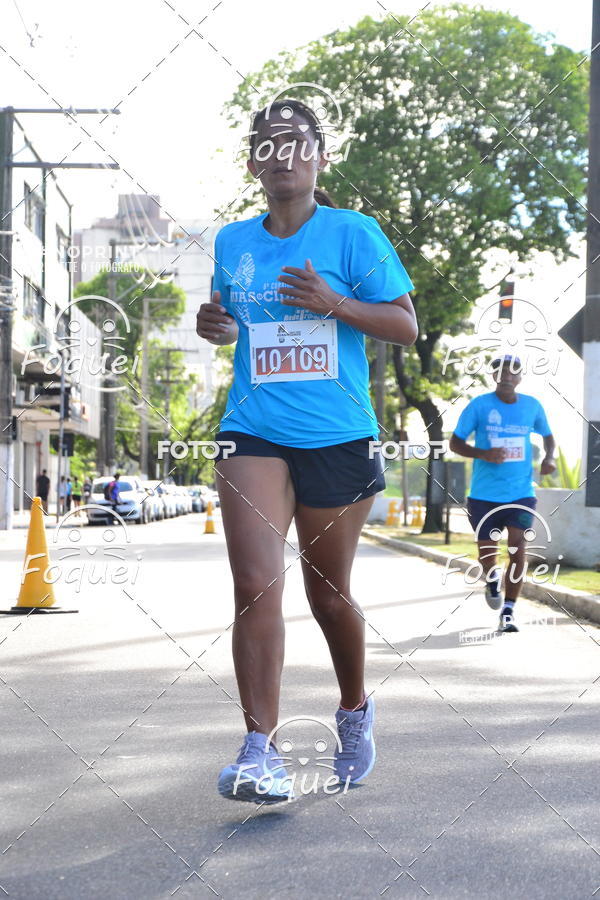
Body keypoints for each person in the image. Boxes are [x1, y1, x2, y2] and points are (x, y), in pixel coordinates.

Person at [196, 98, 417, 803]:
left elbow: (404, 326)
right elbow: (231, 321)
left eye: (294, 142)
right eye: (266, 144)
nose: (280, 155)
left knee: (329, 595)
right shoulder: (233, 242)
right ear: (253, 163)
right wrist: (216, 326)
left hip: (338, 435)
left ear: (320, 155)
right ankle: (259, 750)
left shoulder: (355, 234)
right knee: (255, 582)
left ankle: (353, 708)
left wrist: (333, 303)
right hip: (253, 428)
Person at [449, 355, 556, 633]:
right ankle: (492, 579)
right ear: (493, 376)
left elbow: (548, 436)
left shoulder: (532, 406)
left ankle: (508, 611)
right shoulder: (480, 405)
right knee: (487, 552)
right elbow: (455, 443)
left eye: (512, 372)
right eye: (501, 372)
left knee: (517, 548)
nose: (506, 376)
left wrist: (549, 458)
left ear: (520, 377)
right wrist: (483, 453)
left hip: (521, 492)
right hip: (484, 494)